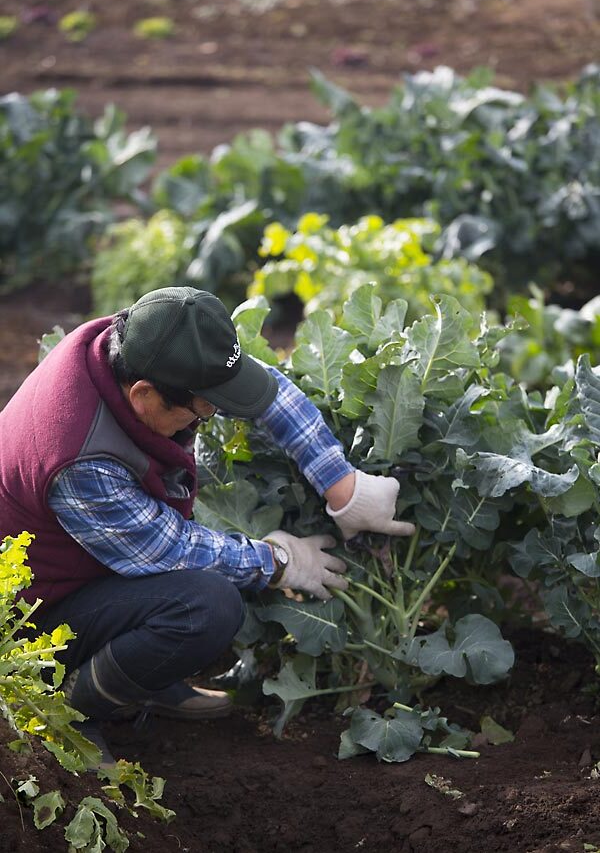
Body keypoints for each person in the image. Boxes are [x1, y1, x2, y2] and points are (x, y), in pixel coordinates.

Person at [0, 286, 414, 752]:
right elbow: (168, 551)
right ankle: (69, 712)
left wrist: (343, 484)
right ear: (144, 396)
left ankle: (135, 678)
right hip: (33, 616)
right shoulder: (80, 461)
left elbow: (265, 394)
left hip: (91, 563)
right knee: (206, 606)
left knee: (197, 595)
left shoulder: (147, 343)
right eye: (202, 408)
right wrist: (279, 561)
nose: (212, 415)